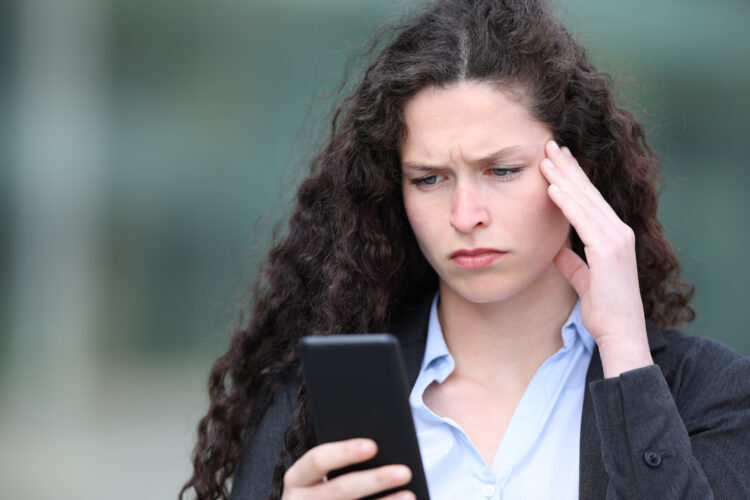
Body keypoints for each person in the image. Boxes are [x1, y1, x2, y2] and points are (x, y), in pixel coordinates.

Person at [180, 0, 750, 498]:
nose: (464, 216)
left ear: (580, 173)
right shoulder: (307, 404)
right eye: (428, 179)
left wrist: (625, 351)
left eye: (501, 170)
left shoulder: (708, 393)